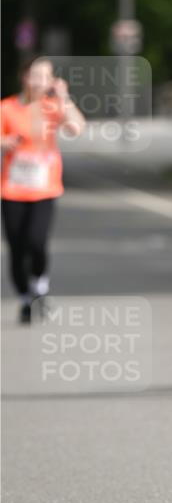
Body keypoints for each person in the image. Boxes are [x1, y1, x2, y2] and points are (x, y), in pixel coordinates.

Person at [1, 57, 85, 323]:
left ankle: (39, 287)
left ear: (52, 81)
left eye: (45, 77)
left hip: (44, 188)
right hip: (12, 189)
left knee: (37, 242)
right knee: (16, 248)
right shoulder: (7, 108)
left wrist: (65, 98)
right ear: (24, 78)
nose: (39, 81)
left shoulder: (53, 107)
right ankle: (26, 299)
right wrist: (5, 143)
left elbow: (76, 128)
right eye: (34, 75)